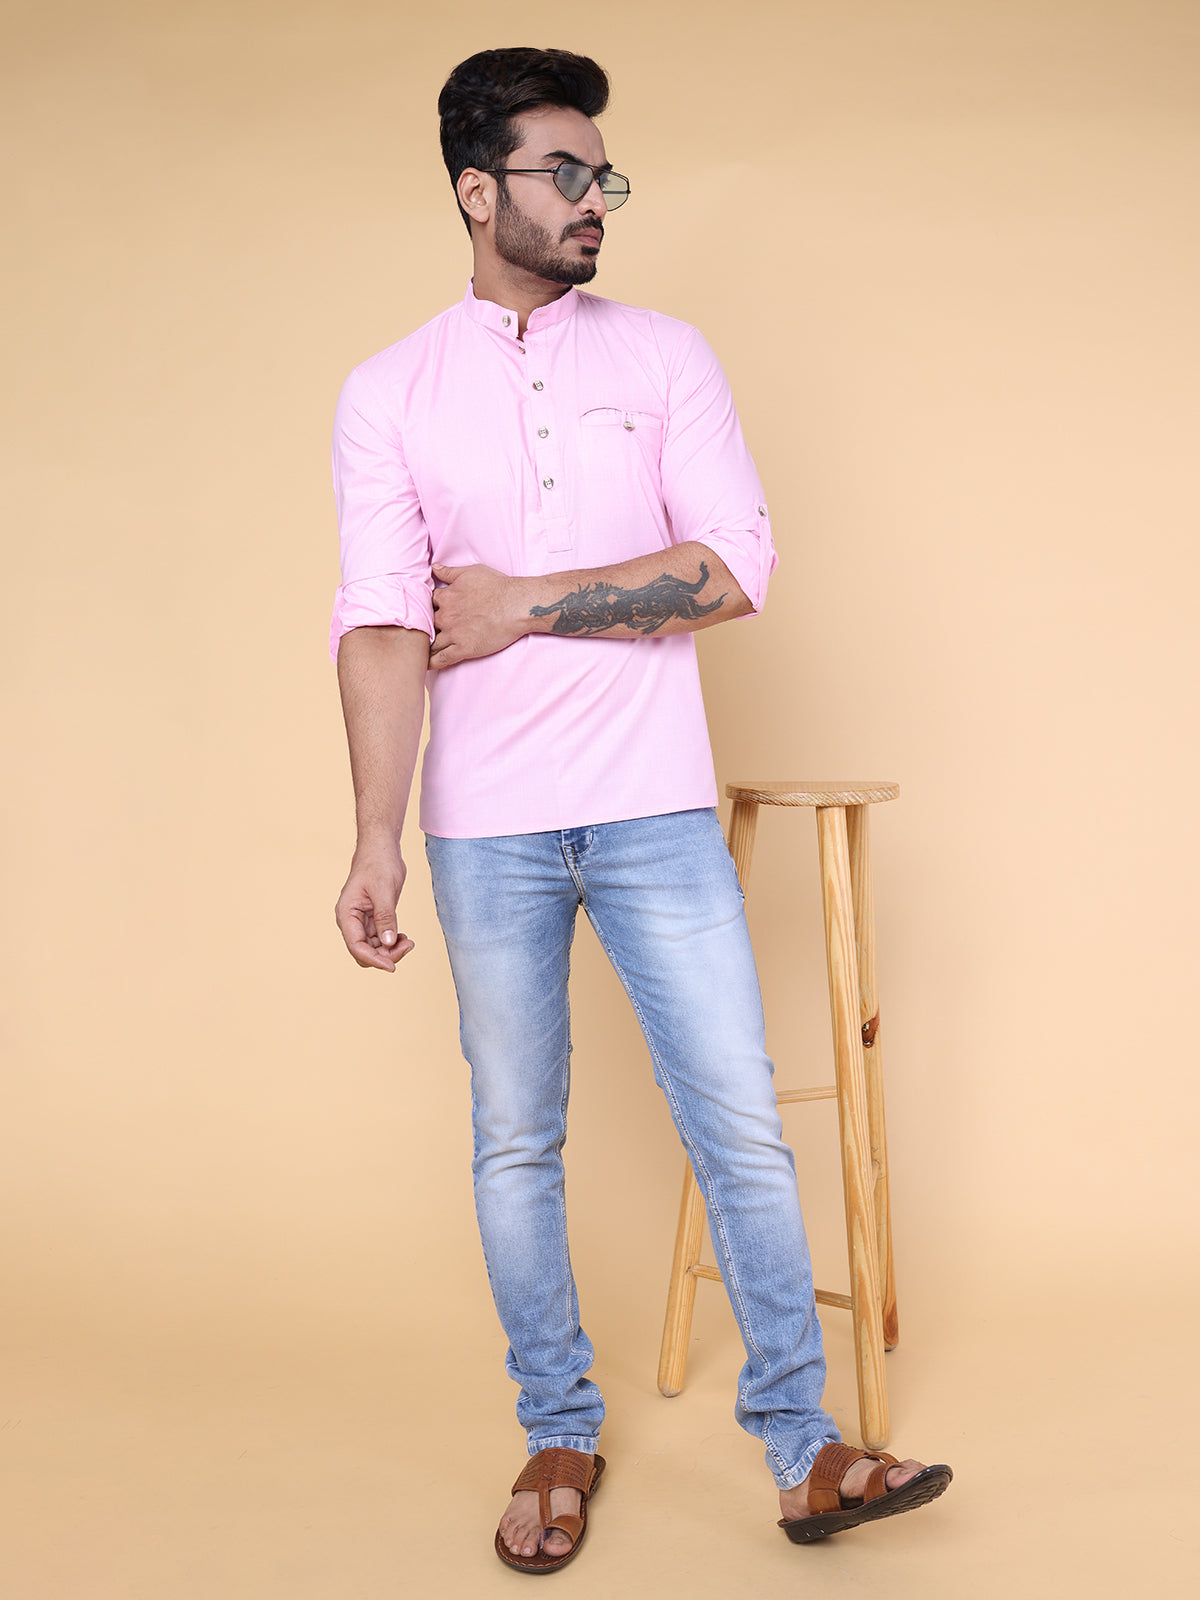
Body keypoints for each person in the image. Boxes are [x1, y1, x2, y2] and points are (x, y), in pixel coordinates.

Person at [329, 45, 952, 1573]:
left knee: (737, 1120)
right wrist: (373, 839)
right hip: (483, 828)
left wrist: (526, 603)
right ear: (477, 192)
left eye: (603, 171)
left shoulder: (667, 357)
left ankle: (805, 1451)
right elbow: (383, 624)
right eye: (564, 172)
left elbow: (734, 568)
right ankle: (558, 1427)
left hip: (654, 808)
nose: (595, 196)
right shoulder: (390, 392)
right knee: (514, 1143)